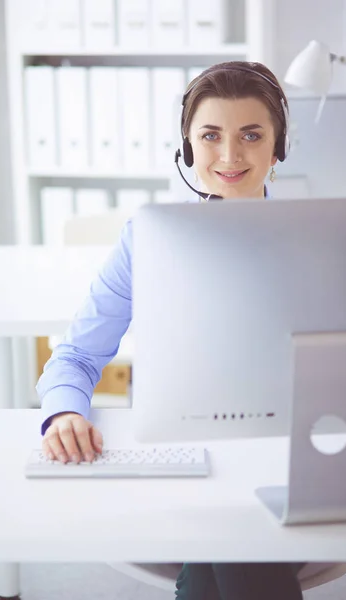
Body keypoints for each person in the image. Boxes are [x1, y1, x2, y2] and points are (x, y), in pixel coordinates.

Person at [37, 61, 304, 599]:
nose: (229, 156)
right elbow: (75, 356)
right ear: (187, 147)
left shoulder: (315, 238)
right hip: (184, 465)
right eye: (210, 136)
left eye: (251, 135)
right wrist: (64, 412)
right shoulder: (150, 238)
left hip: (285, 467)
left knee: (225, 554)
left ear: (279, 148)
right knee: (236, 551)